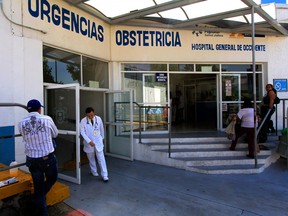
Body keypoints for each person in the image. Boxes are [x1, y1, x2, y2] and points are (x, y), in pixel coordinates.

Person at [18, 99, 58, 216]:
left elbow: (23, 135)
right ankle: (38, 199)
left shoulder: (21, 122)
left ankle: (38, 199)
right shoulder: (46, 119)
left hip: (32, 159)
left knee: (38, 186)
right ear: (39, 109)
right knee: (52, 178)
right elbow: (55, 134)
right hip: (47, 159)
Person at [80, 107, 109, 182]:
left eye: (92, 115)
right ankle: (94, 171)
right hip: (89, 143)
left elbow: (102, 129)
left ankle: (105, 175)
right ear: (86, 114)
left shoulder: (98, 119)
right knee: (91, 158)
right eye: (89, 116)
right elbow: (82, 132)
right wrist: (89, 141)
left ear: (94, 113)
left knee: (101, 159)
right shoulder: (83, 121)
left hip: (98, 142)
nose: (90, 117)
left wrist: (102, 139)